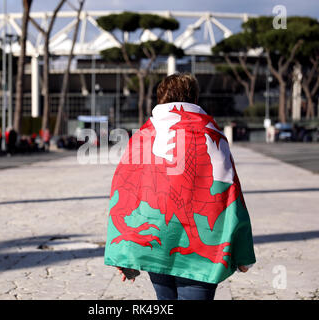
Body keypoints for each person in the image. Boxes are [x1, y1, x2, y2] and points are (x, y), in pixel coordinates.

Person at [104, 73, 256, 300]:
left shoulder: (143, 136)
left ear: (160, 98)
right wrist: (242, 251)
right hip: (201, 253)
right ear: (194, 98)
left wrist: (126, 254)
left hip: (157, 245)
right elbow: (230, 196)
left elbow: (124, 192)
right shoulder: (212, 136)